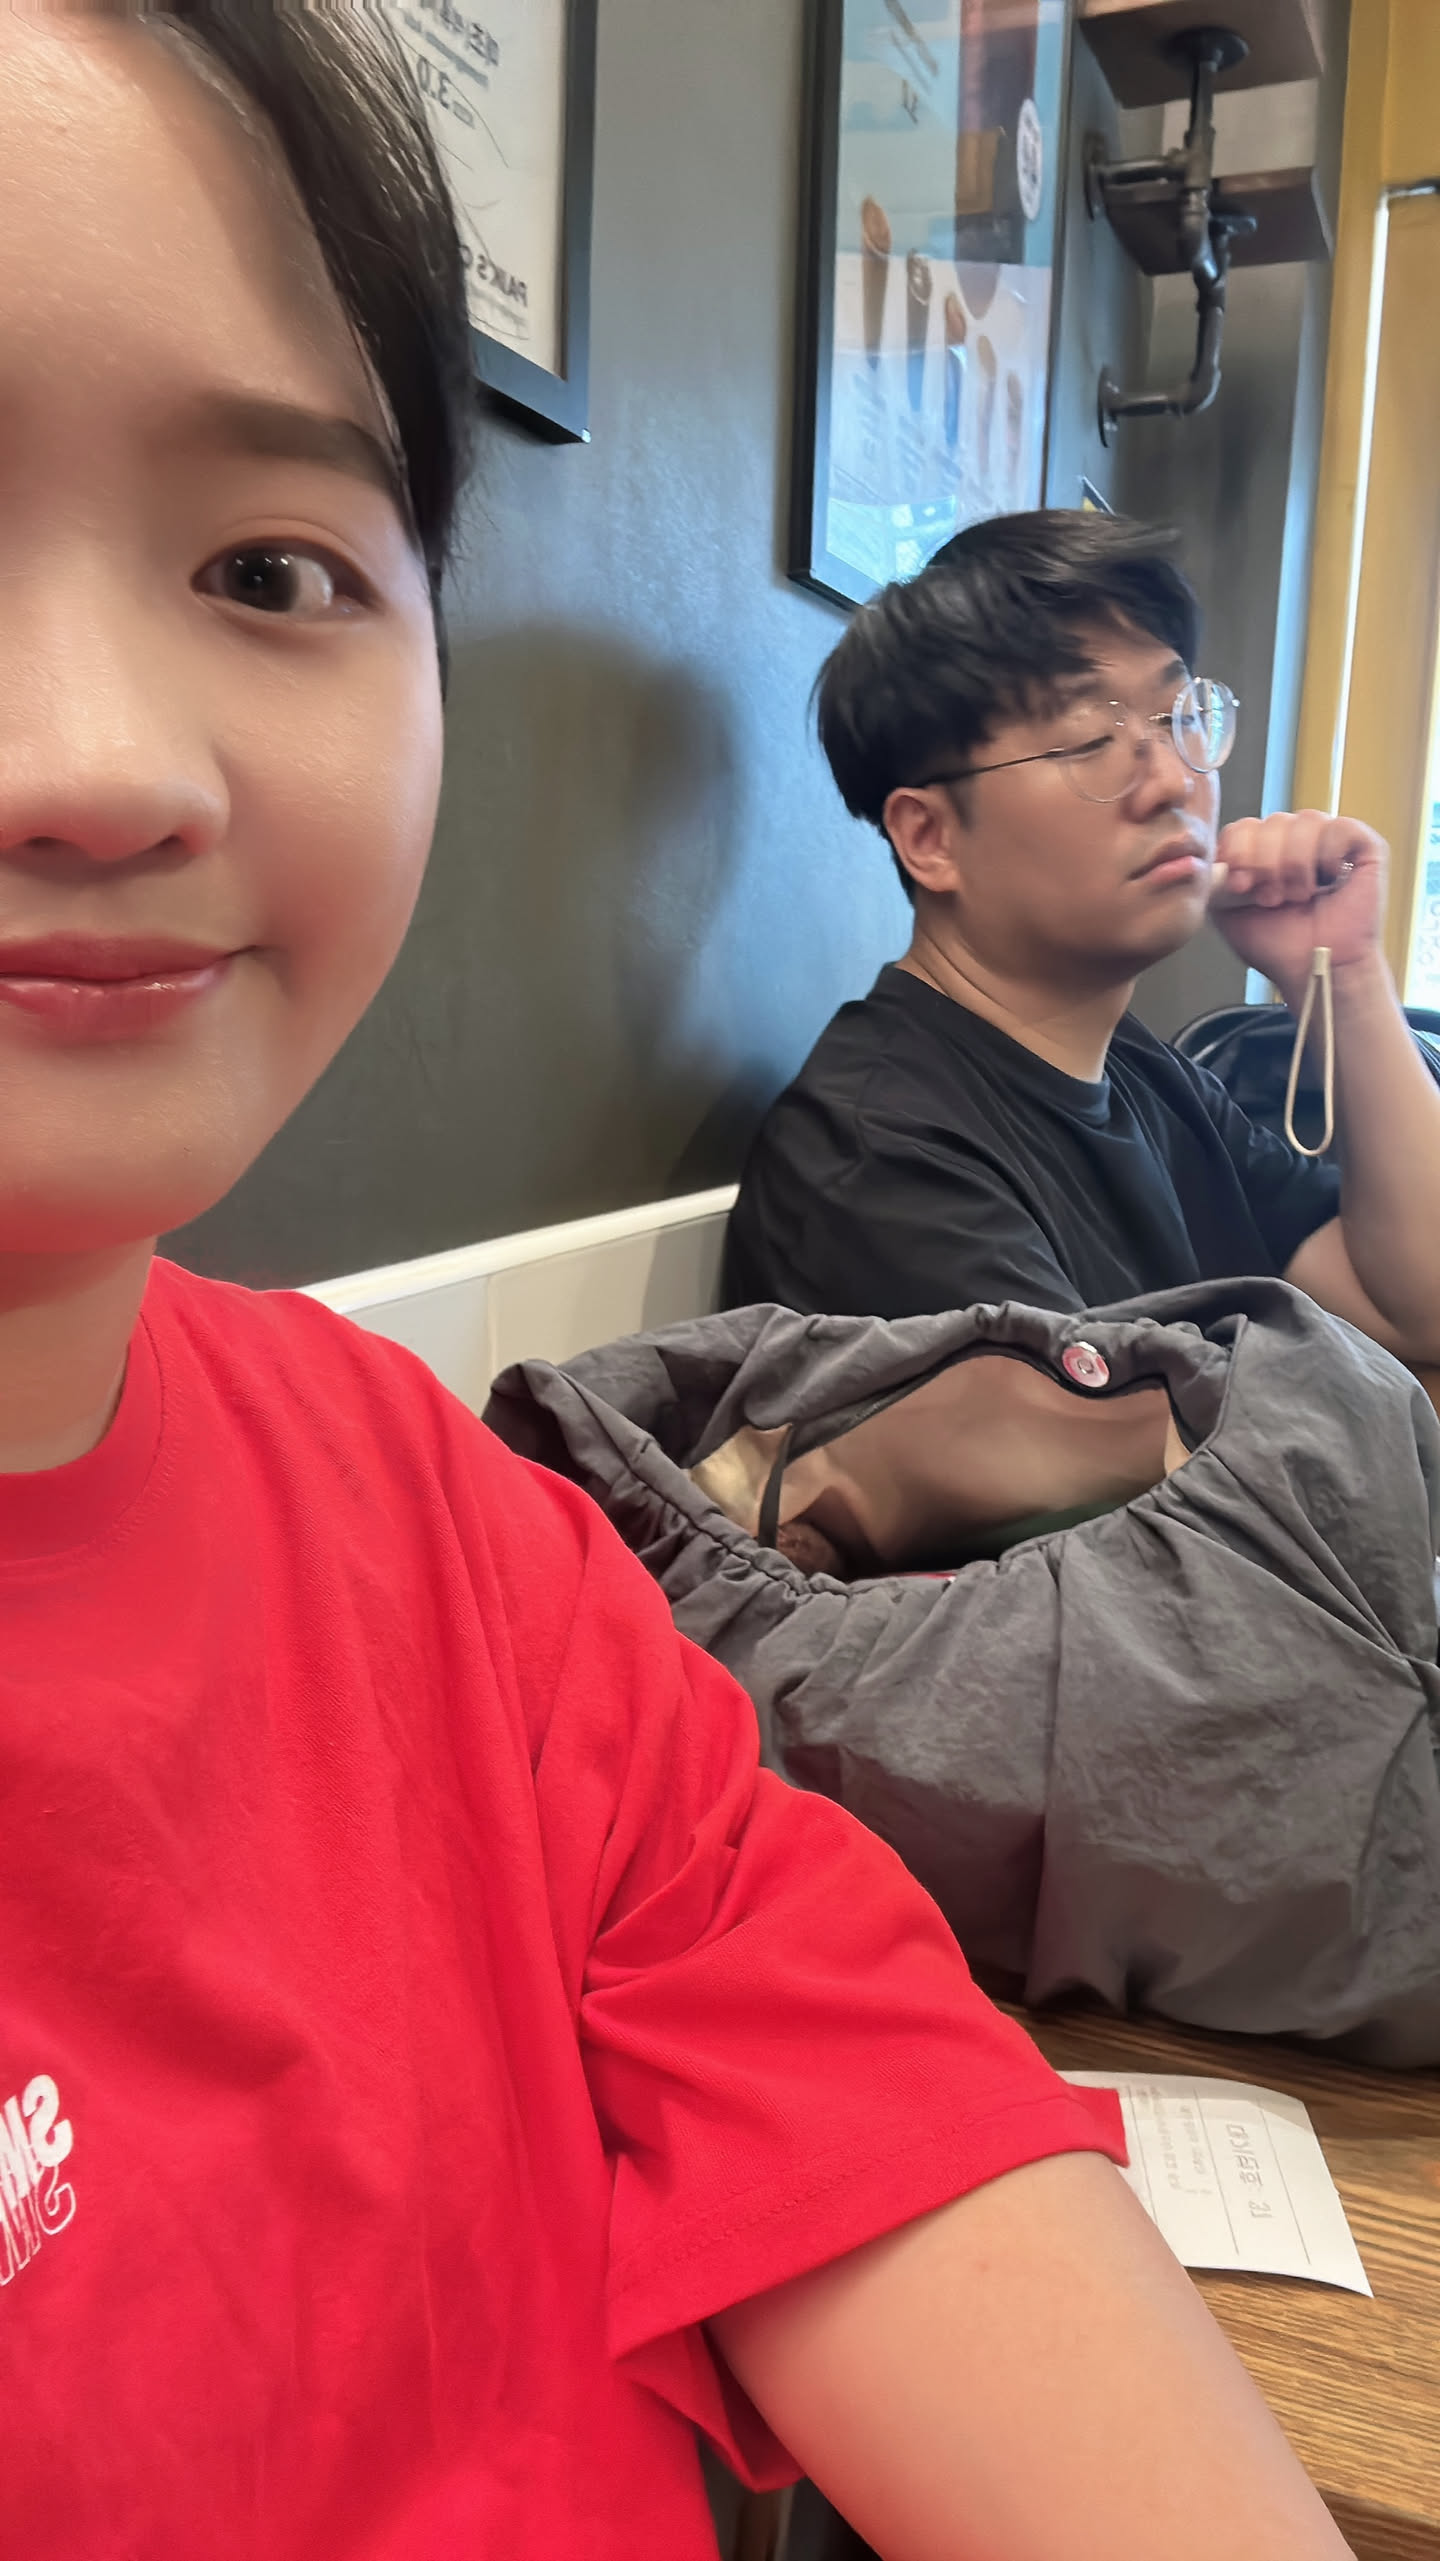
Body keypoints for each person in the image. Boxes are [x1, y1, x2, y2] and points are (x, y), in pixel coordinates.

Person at [0, 10, 1352, 2556]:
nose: (100, 758)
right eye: (1100, 737)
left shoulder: (432, 1502)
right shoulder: (879, 1133)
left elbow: (846, 2065)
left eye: (271, 569)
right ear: (925, 833)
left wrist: (1344, 992)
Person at [725, 512, 1440, 1364]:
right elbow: (1148, 1452)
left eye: (1178, 716)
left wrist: (1344, 970)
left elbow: (1417, 1305)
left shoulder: (1148, 1075)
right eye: (1090, 738)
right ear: (931, 837)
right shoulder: (879, 1161)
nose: (1174, 780)